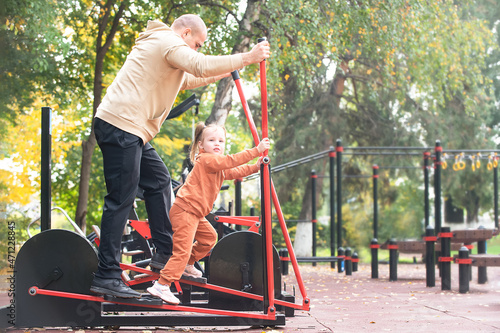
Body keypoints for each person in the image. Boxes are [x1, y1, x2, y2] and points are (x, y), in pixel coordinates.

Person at [90, 14, 270, 299]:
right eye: (197, 44)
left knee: (160, 181)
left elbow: (188, 79)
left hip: (132, 130)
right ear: (185, 34)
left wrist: (226, 72)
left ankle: (165, 254)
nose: (196, 50)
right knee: (121, 199)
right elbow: (197, 64)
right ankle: (106, 275)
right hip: (121, 125)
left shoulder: (165, 51)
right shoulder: (167, 41)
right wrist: (247, 57)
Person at [147, 122, 270, 304]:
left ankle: (188, 264)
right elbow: (231, 161)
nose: (217, 144)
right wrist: (256, 150)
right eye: (212, 140)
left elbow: (235, 170)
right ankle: (162, 285)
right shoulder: (206, 160)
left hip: (195, 213)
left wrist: (256, 166)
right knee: (181, 251)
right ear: (201, 146)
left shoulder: (217, 166)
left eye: (221, 140)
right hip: (185, 210)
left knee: (209, 238)